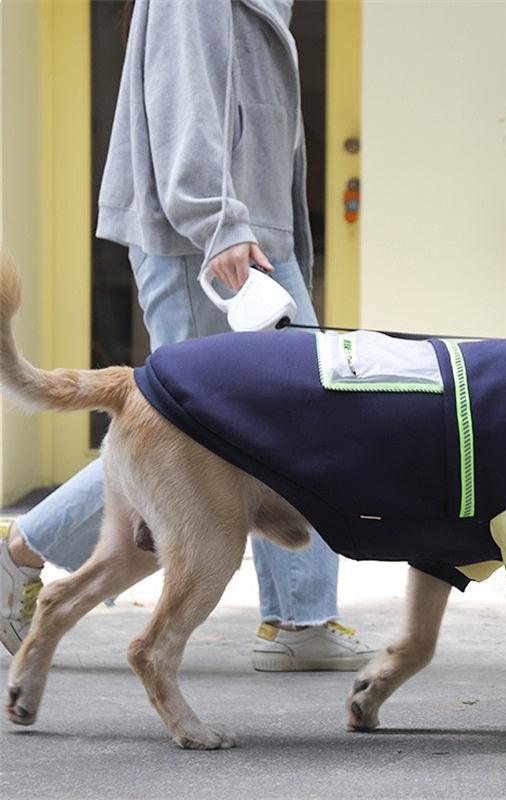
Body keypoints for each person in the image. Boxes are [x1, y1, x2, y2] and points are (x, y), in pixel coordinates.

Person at [0, 0, 374, 671]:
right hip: (207, 239)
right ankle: (19, 554)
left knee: (235, 433)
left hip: (244, 233)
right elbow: (183, 99)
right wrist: (218, 221)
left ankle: (301, 617)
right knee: (187, 439)